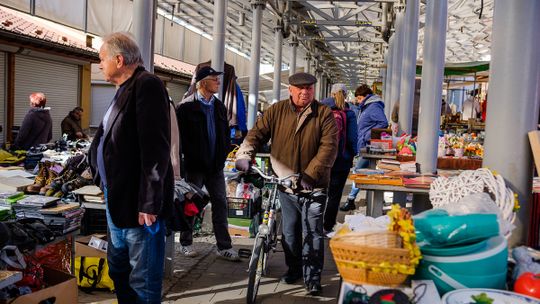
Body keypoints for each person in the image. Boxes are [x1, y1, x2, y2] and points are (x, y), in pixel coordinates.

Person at [88, 32, 173, 304]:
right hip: (117, 197)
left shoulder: (146, 85)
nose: (99, 65)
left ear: (119, 59)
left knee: (142, 277)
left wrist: (149, 202)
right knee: (119, 268)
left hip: (139, 204)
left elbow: (156, 148)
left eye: (102, 59)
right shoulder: (122, 89)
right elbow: (106, 138)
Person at [235, 72, 339, 295]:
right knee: (290, 233)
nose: (305, 92)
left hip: (315, 185)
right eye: (300, 88)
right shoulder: (276, 111)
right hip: (285, 184)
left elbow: (328, 147)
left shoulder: (324, 113)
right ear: (290, 90)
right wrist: (244, 154)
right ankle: (294, 269)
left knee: (313, 232)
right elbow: (256, 134)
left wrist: (311, 174)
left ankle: (312, 278)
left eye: (309, 88)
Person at [175, 65, 240, 261]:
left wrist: (223, 154)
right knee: (192, 205)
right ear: (203, 83)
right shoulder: (186, 107)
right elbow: (179, 140)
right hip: (195, 167)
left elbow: (223, 135)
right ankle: (185, 243)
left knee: (220, 203)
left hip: (215, 167)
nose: (218, 82)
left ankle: (224, 246)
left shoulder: (219, 106)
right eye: (214, 79)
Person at [340, 84, 388, 211]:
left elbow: (383, 122)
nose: (358, 101)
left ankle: (351, 199)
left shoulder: (373, 107)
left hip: (369, 145)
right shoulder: (368, 106)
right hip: (366, 145)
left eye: (360, 98)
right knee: (364, 171)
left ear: (366, 96)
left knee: (358, 171)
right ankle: (374, 198)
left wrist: (367, 135)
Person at [320, 83, 358, 234]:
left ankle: (314, 224)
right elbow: (352, 138)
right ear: (346, 94)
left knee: (319, 193)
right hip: (341, 161)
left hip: (322, 159)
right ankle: (328, 226)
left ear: (331, 93)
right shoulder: (349, 112)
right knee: (334, 196)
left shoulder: (321, 108)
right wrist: (352, 154)